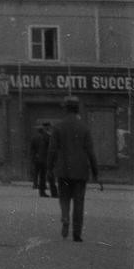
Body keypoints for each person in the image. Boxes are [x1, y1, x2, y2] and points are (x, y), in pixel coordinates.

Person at [47, 96, 100, 242]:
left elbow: (52, 150)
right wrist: (95, 172)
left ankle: (65, 217)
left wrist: (49, 169)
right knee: (79, 202)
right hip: (80, 170)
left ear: (65, 109)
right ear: (77, 109)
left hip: (63, 169)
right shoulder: (84, 128)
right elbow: (90, 152)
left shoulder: (58, 127)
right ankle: (77, 233)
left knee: (64, 197)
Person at [31, 122, 58, 198]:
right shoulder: (48, 136)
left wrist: (34, 158)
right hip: (46, 159)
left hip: (39, 159)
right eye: (49, 127)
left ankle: (41, 191)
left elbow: (32, 149)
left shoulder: (36, 137)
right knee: (50, 176)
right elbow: (52, 148)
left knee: (41, 175)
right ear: (47, 128)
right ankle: (54, 193)